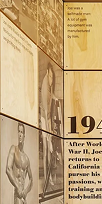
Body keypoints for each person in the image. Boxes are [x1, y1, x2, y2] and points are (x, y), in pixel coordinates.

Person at [6, 123, 33, 204]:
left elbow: (31, 179)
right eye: (19, 131)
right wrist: (18, 187)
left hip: (23, 195)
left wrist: (25, 191)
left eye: (22, 132)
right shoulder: (13, 149)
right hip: (17, 193)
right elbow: (8, 169)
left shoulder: (26, 158)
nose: (20, 134)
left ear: (24, 135)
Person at [40, 62, 55, 194]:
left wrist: (56, 99)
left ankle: (49, 177)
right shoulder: (45, 87)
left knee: (50, 150)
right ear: (47, 74)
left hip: (48, 117)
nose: (52, 80)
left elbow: (52, 96)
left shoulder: (50, 86)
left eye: (52, 78)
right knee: (46, 149)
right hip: (44, 118)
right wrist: (49, 130)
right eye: (50, 77)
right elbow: (45, 112)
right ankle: (45, 178)